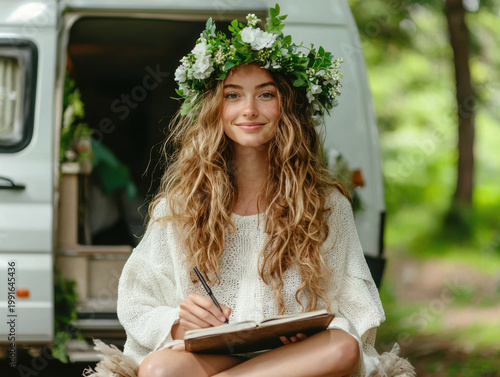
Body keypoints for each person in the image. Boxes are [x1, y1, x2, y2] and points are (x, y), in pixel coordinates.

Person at [85, 5, 413, 377]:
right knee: (160, 370)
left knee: (342, 346)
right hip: (216, 352)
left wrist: (315, 325)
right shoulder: (179, 206)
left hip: (297, 357)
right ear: (215, 108)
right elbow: (138, 301)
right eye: (234, 95)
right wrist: (180, 322)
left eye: (266, 95)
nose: (250, 110)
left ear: (286, 105)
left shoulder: (326, 204)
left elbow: (357, 309)